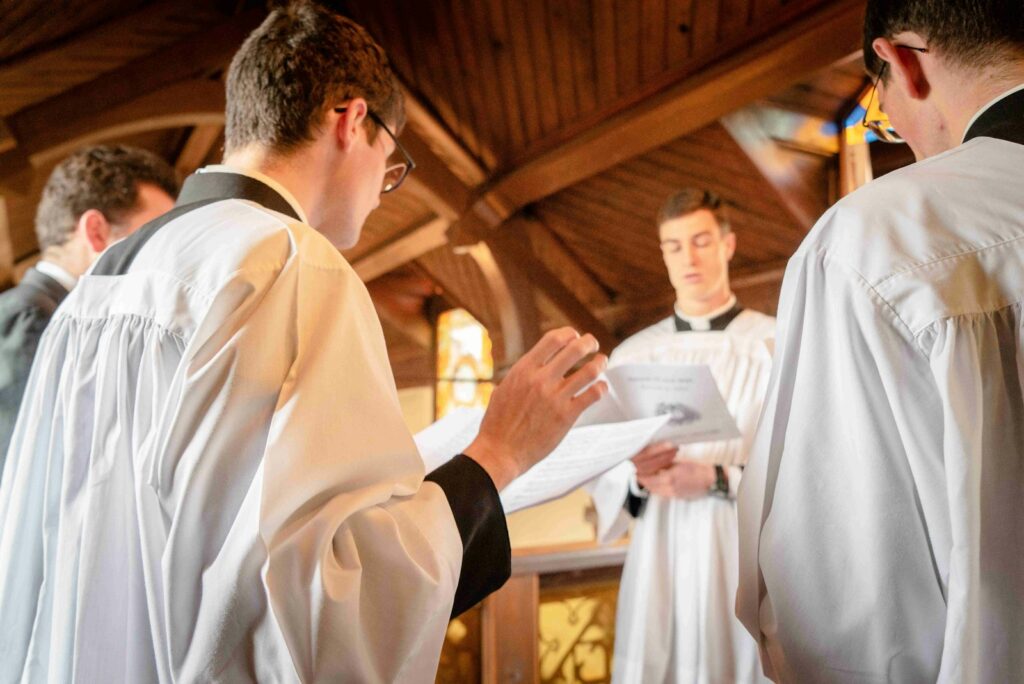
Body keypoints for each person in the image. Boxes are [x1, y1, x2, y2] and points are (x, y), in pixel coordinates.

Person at [0, 4, 607, 682]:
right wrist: (498, 455)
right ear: (351, 121)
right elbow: (324, 606)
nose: (384, 190)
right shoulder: (291, 263)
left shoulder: (97, 289)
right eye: (391, 159)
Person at [736, 0, 1024, 681]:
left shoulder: (878, 240)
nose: (895, 129)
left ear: (904, 62)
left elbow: (847, 612)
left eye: (881, 104)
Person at [588, 189, 774, 683]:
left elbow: (804, 465)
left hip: (741, 551)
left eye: (700, 241)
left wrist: (718, 478)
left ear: (728, 245)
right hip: (658, 553)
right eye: (673, 246)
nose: (688, 258)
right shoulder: (633, 355)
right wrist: (634, 477)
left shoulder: (775, 344)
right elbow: (607, 470)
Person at [0, 145, 176, 473]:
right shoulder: (28, 316)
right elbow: (19, 464)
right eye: (151, 239)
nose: (161, 260)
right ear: (95, 231)